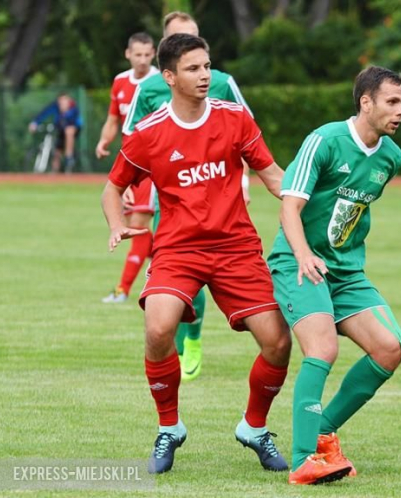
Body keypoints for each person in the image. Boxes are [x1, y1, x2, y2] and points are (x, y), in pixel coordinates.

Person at [101, 33, 291, 475]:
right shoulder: (149, 133)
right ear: (168, 76)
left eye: (207, 66)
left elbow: (273, 176)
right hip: (178, 249)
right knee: (158, 328)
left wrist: (305, 203)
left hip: (236, 247)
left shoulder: (235, 119)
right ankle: (169, 428)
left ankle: (254, 428)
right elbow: (113, 186)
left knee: (278, 342)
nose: (205, 75)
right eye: (193, 68)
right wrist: (116, 223)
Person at [267, 66, 401, 485]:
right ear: (366, 102)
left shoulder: (391, 157)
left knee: (390, 347)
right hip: (298, 262)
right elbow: (288, 207)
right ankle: (303, 459)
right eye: (392, 102)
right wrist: (305, 254)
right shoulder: (324, 141)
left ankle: (323, 431)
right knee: (323, 350)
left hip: (345, 272)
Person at [121, 11, 253, 381]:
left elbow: (248, 134)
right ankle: (176, 340)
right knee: (178, 270)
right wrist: (129, 190)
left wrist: (244, 183)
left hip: (220, 196)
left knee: (213, 265)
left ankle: (191, 338)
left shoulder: (223, 83)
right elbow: (133, 143)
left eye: (193, 37)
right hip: (171, 197)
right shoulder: (147, 90)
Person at [98, 32, 160, 304]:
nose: (143, 60)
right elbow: (114, 119)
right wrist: (104, 140)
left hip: (153, 167)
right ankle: (178, 264)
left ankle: (123, 290)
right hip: (130, 163)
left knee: (137, 225)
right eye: (138, 54)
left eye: (148, 54)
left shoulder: (161, 82)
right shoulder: (120, 82)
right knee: (144, 233)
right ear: (128, 54)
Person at [29, 92, 83, 173]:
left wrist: (64, 113)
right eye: (60, 102)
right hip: (61, 131)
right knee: (57, 151)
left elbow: (72, 121)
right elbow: (45, 113)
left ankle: (69, 157)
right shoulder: (56, 107)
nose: (62, 104)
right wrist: (35, 123)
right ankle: (54, 172)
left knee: (69, 131)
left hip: (73, 129)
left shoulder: (73, 109)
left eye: (64, 101)